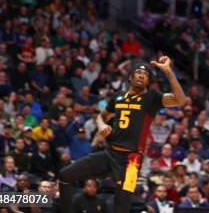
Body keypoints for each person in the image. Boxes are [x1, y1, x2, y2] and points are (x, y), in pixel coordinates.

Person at [58, 57, 186, 213]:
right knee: (65, 175)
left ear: (148, 81)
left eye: (145, 75)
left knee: (122, 208)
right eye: (138, 73)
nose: (141, 76)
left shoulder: (152, 97)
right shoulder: (118, 96)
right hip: (110, 153)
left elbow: (180, 100)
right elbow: (101, 116)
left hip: (132, 161)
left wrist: (168, 71)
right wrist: (101, 125)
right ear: (131, 77)